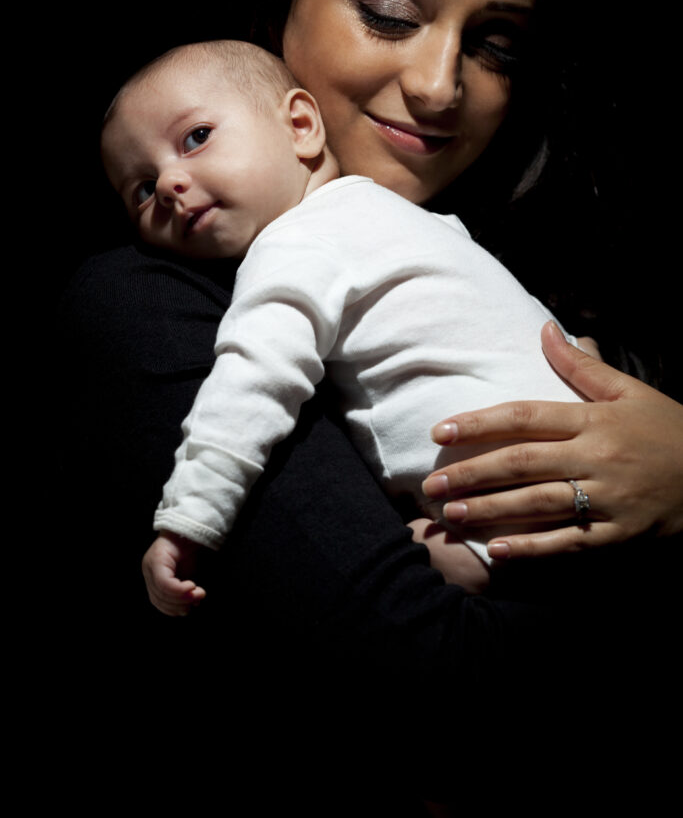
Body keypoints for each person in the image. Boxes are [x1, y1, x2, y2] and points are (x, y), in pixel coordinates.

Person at [59, 0, 682, 726]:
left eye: (493, 43)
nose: (439, 86)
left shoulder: (509, 278)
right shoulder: (156, 298)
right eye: (390, 15)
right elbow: (448, 684)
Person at [101, 38, 590, 614]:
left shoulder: (295, 246)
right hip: (587, 469)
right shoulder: (400, 218)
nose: (166, 184)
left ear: (302, 125)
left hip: (512, 503)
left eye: (196, 137)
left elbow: (251, 386)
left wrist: (188, 521)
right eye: (140, 189)